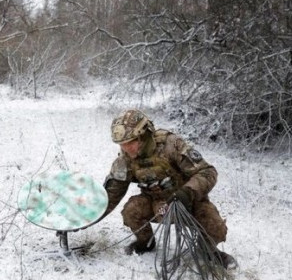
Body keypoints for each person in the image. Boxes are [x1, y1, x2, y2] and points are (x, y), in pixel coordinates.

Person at [100, 109, 236, 269]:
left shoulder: (171, 145)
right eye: (122, 144)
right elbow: (111, 194)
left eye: (131, 142)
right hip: (156, 204)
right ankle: (145, 243)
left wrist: (187, 192)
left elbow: (207, 172)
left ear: (144, 135)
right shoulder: (125, 160)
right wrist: (83, 219)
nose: (126, 148)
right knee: (131, 210)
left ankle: (207, 250)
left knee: (215, 227)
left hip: (189, 201)